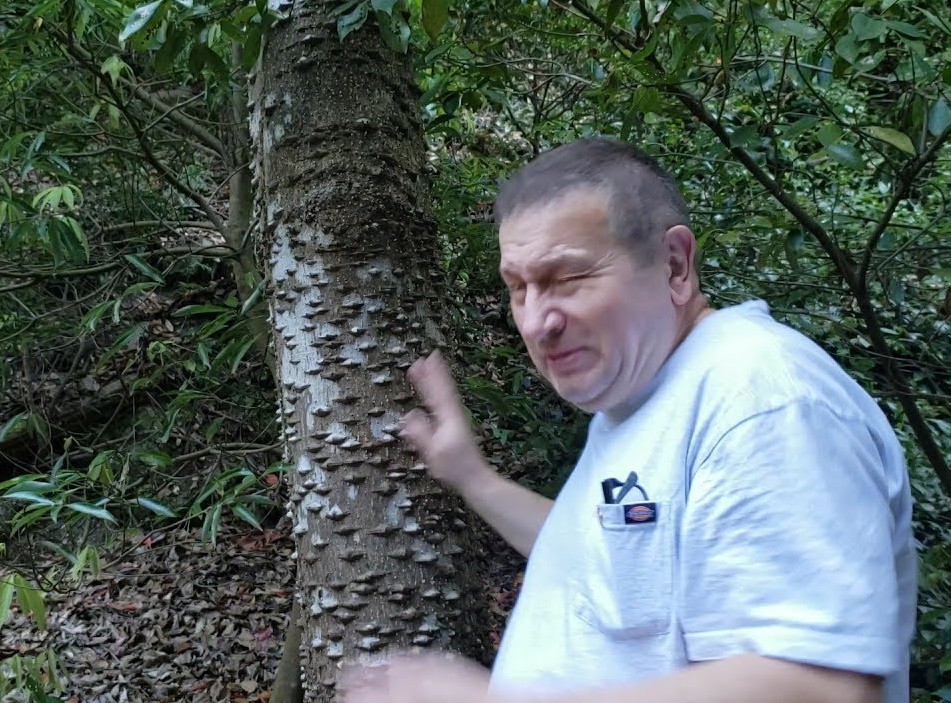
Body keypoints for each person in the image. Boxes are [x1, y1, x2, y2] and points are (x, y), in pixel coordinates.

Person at [339, 137, 917, 703]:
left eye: (566, 278)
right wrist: (474, 479)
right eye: (518, 288)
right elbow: (603, 560)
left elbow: (821, 685)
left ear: (673, 265)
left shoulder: (761, 397)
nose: (538, 322)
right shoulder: (645, 399)